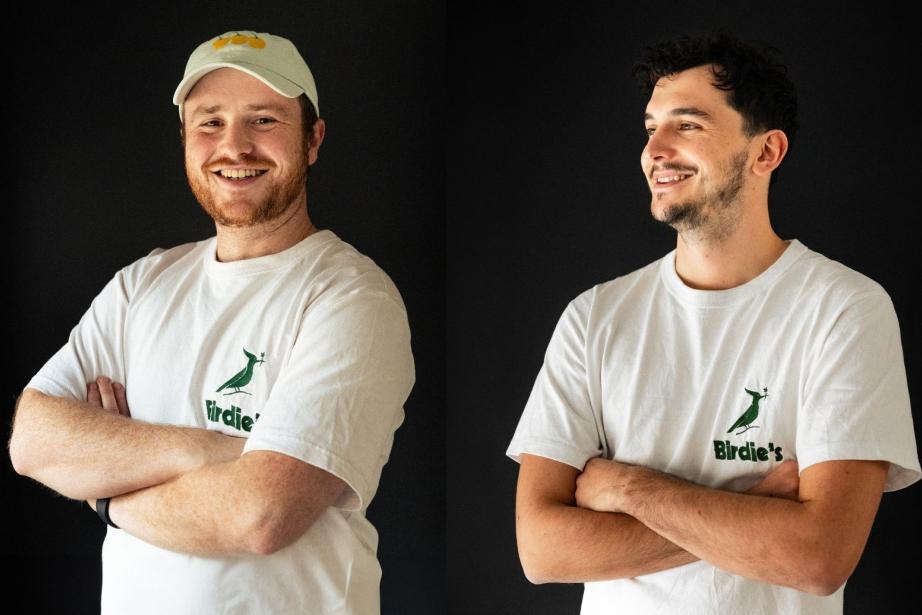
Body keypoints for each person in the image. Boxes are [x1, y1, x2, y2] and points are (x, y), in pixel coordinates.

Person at [506, 30, 920, 614]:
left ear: (765, 152)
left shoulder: (846, 310)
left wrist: (625, 489)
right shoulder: (594, 317)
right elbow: (542, 550)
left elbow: (818, 557)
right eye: (651, 127)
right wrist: (753, 513)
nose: (656, 149)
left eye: (689, 124)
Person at [9, 29, 414, 615]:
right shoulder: (143, 283)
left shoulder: (352, 297)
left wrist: (105, 497)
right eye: (210, 122)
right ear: (184, 138)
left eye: (265, 121)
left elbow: (261, 515)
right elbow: (32, 440)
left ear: (313, 140)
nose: (235, 147)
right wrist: (214, 451)